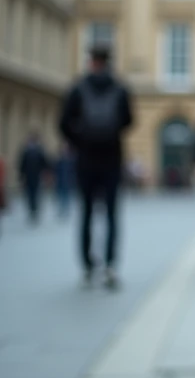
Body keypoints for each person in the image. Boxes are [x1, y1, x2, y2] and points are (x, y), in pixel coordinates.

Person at [59, 45, 134, 289]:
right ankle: (111, 265)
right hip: (112, 157)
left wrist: (79, 140)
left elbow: (63, 123)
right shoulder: (120, 88)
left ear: (91, 61)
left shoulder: (78, 88)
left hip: (86, 158)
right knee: (112, 214)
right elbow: (129, 121)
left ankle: (88, 265)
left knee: (87, 213)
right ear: (109, 61)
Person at [18, 130, 50, 225]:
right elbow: (22, 165)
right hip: (28, 176)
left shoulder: (39, 151)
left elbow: (45, 163)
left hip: (37, 177)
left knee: (36, 194)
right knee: (29, 195)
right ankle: (31, 210)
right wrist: (21, 176)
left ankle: (34, 210)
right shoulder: (26, 151)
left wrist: (46, 173)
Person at [54, 144, 75, 219]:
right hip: (60, 181)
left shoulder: (71, 161)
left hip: (67, 182)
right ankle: (62, 209)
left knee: (67, 196)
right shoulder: (59, 161)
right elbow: (55, 171)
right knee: (60, 196)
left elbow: (73, 171)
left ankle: (66, 209)